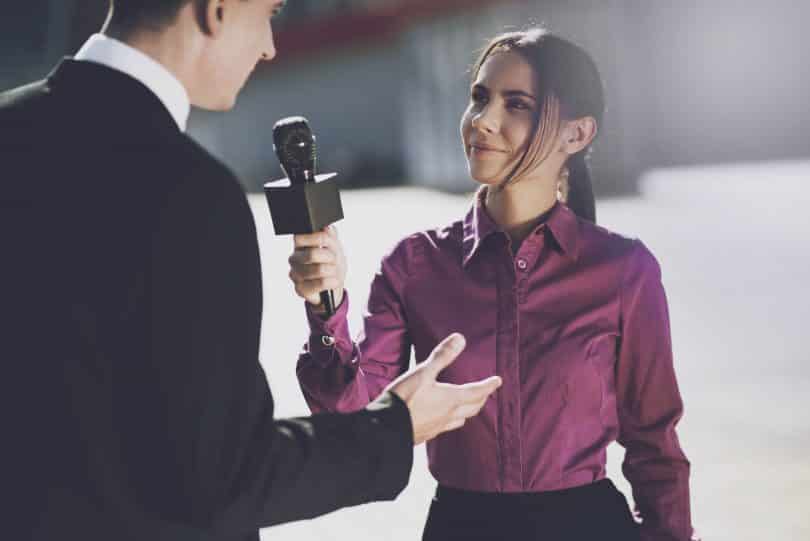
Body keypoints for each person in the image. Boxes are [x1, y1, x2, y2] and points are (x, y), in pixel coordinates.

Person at [0, 1, 503, 540]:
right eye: (269, 13)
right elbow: (225, 476)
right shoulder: (189, 193)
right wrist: (393, 428)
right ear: (216, 11)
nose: (269, 45)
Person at [289, 28, 696, 540]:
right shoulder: (415, 265)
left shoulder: (623, 270)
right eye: (479, 98)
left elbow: (655, 446)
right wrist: (326, 309)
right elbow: (350, 419)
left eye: (517, 104)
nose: (483, 121)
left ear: (577, 134)